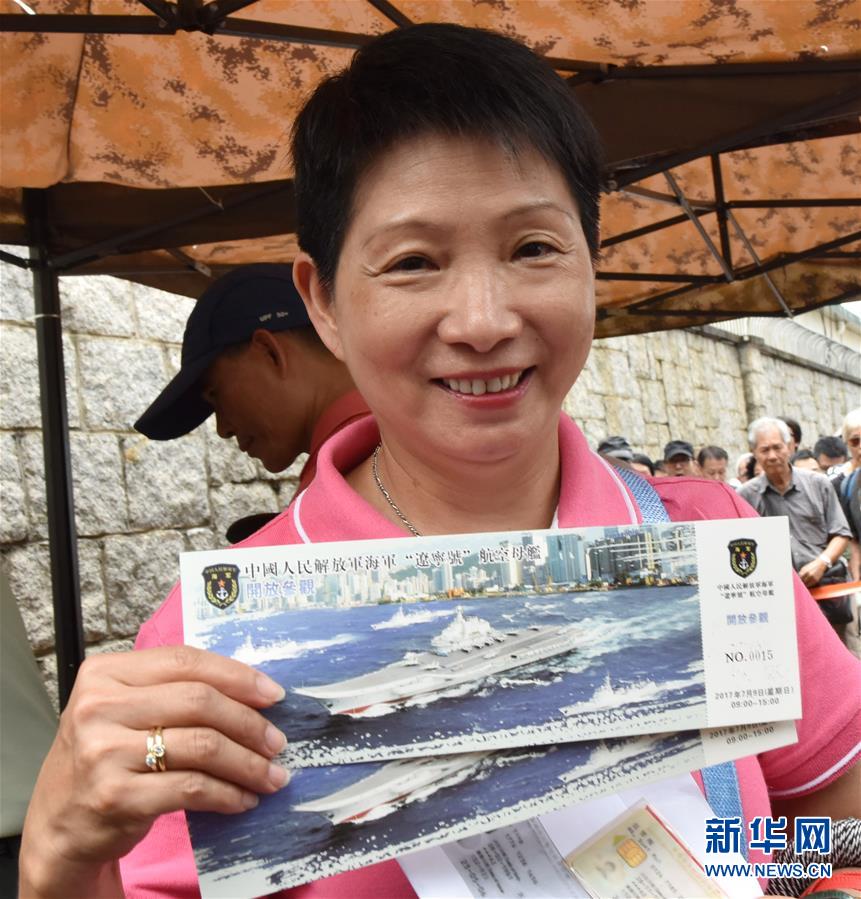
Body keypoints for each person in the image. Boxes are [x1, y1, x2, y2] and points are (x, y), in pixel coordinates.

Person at [20, 24, 860, 899]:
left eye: (532, 247)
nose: (482, 321)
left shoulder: (708, 541)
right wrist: (61, 863)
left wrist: (763, 868)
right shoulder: (217, 644)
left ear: (590, 262)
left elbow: (837, 828)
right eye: (413, 262)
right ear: (324, 302)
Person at [134, 264, 369, 495]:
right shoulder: (384, 447)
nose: (223, 429)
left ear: (269, 352)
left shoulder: (337, 490)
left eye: (216, 395)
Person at [739, 417, 851, 590]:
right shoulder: (745, 496)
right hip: (776, 590)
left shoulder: (818, 484)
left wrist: (822, 562)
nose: (772, 456)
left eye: (777, 447)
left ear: (789, 447)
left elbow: (841, 533)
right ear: (754, 453)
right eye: (764, 450)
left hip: (825, 582)